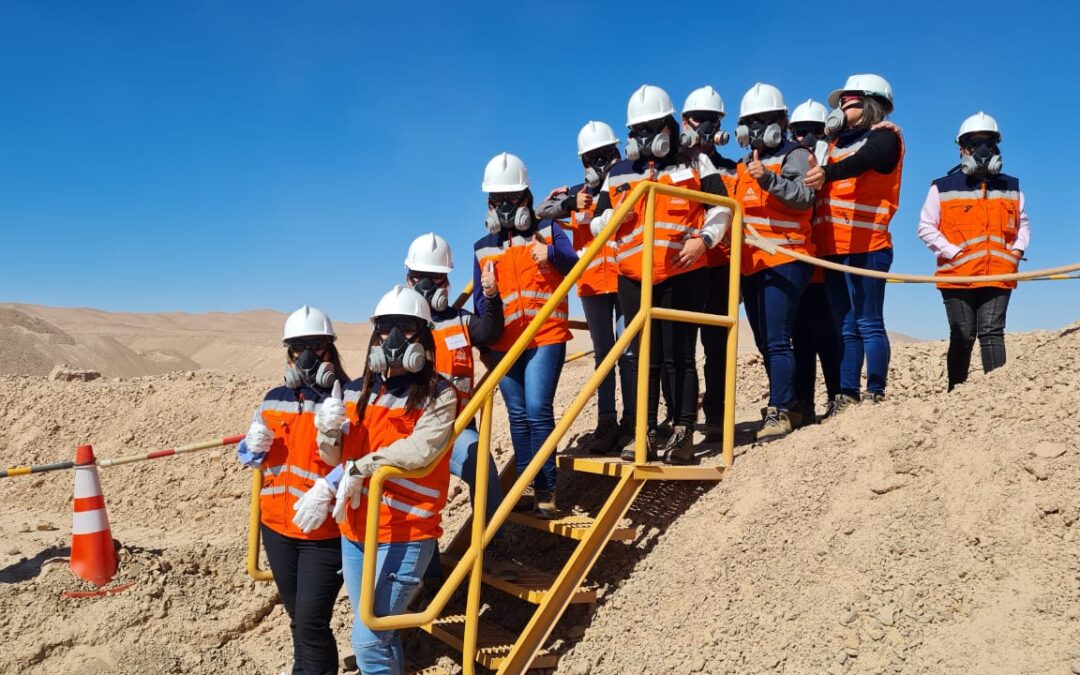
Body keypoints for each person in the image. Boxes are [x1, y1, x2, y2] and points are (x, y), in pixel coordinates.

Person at [299, 285, 457, 675]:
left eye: (406, 328)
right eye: (386, 329)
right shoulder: (356, 391)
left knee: (368, 639)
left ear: (423, 336)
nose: (395, 338)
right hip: (356, 531)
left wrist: (362, 466)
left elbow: (421, 451)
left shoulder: (439, 393)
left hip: (407, 532)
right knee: (380, 633)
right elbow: (334, 457)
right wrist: (328, 432)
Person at [589, 84, 733, 463]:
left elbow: (722, 208)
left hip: (682, 272)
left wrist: (705, 239)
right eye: (636, 131)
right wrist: (614, 217)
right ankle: (646, 432)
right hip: (633, 277)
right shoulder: (618, 174)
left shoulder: (695, 161)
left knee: (680, 357)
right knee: (643, 357)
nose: (642, 137)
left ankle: (683, 432)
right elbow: (596, 222)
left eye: (650, 128)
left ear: (669, 126)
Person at [237, 305, 349, 675]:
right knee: (298, 620)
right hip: (276, 528)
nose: (305, 356)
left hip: (323, 532)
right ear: (287, 353)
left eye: (315, 346)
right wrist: (250, 448)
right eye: (297, 347)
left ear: (329, 350)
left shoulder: (345, 400)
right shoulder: (273, 398)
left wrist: (329, 485)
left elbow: (363, 459)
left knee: (313, 623)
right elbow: (253, 457)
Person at [402, 232, 516, 580]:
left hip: (459, 427)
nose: (437, 286)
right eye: (427, 279)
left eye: (441, 279)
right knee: (419, 500)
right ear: (410, 280)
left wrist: (492, 296)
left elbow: (490, 331)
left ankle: (494, 551)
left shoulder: (460, 319)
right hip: (416, 431)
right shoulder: (401, 327)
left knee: (483, 468)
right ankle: (430, 574)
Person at [474, 152, 578, 517]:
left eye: (511, 199)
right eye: (496, 201)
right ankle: (523, 485)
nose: (503, 207)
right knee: (517, 414)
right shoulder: (483, 248)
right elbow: (479, 304)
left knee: (537, 409)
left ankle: (546, 489)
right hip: (506, 344)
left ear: (526, 198)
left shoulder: (548, 230)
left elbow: (574, 265)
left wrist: (548, 253)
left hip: (545, 335)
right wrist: (486, 299)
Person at [535, 121, 637, 455]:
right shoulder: (580, 194)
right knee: (604, 356)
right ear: (583, 162)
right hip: (593, 285)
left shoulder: (627, 185)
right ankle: (606, 422)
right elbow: (539, 214)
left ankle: (634, 422)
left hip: (625, 277)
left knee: (629, 353)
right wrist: (567, 205)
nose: (602, 162)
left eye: (607, 154)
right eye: (593, 157)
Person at [804, 74, 903, 411]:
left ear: (871, 102)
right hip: (835, 247)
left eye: (850, 98)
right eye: (841, 100)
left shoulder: (885, 137)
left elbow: (868, 159)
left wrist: (829, 172)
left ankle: (875, 391)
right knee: (845, 324)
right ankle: (846, 395)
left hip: (869, 244)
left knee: (868, 321)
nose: (842, 104)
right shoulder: (832, 147)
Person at [917, 112, 1029, 391]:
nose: (981, 149)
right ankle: (957, 393)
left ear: (996, 147)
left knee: (992, 333)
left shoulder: (1011, 187)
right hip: (957, 276)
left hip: (999, 273)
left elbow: (1023, 225)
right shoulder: (942, 187)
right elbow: (926, 227)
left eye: (987, 142)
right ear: (962, 149)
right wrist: (954, 254)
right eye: (974, 143)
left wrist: (1016, 251)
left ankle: (996, 397)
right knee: (963, 335)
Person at [731, 83, 817, 440]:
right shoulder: (743, 164)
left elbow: (805, 197)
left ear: (781, 121)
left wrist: (769, 180)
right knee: (766, 341)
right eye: (750, 122)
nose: (755, 129)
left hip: (785, 256)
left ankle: (780, 410)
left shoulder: (794, 155)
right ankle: (788, 402)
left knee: (779, 340)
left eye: (763, 120)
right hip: (753, 263)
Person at [680, 85, 739, 443]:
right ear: (684, 122)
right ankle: (679, 421)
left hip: (721, 266)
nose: (705, 126)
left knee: (717, 347)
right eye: (699, 119)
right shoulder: (676, 166)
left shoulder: (734, 169)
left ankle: (716, 415)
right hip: (683, 267)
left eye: (712, 121)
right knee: (680, 348)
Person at [788, 99, 842, 421]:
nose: (804, 138)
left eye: (810, 131)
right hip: (799, 266)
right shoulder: (792, 166)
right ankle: (803, 404)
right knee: (801, 340)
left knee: (829, 338)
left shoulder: (834, 164)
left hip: (828, 265)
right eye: (798, 132)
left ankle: (836, 396)